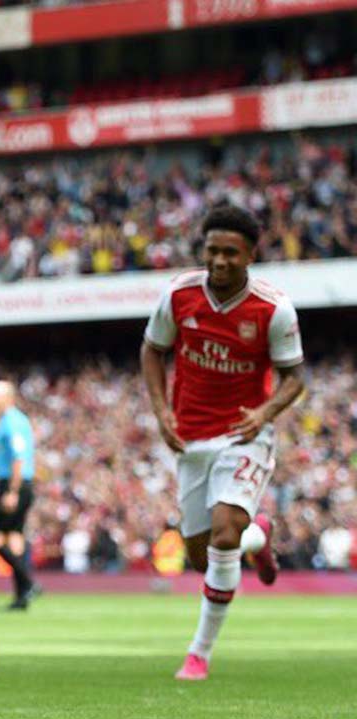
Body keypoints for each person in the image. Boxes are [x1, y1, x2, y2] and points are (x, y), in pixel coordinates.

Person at [141, 204, 305, 681]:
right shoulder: (179, 295)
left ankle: (199, 654)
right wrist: (161, 412)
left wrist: (264, 414)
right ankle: (259, 536)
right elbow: (152, 350)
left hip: (244, 435)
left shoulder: (273, 308)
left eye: (230, 252)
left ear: (250, 255)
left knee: (224, 536)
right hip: (190, 438)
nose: (219, 260)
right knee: (201, 557)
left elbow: (296, 377)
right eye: (212, 250)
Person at [0, 380, 40, 610]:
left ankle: (29, 582)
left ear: (6, 398)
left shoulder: (12, 422)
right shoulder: (12, 420)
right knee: (14, 539)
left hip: (13, 483)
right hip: (17, 483)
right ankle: (21, 596)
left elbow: (19, 458)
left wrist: (12, 491)